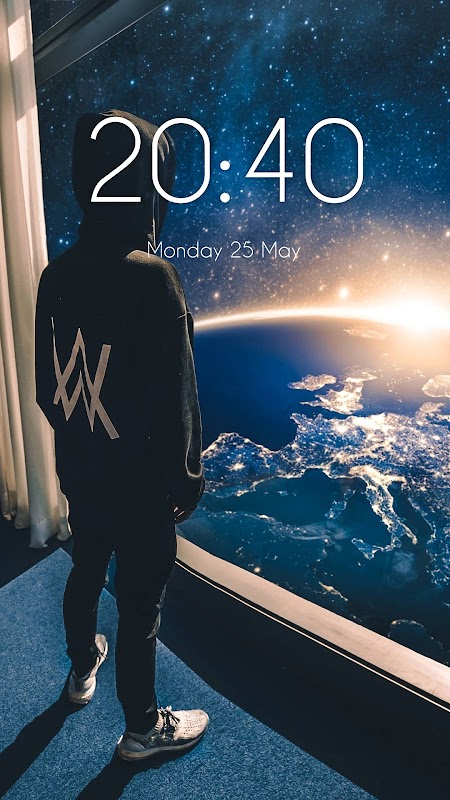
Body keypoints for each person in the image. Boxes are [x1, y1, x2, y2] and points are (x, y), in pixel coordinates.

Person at [34, 109, 208, 761]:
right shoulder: (154, 278)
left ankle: (82, 669)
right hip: (139, 485)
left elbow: (48, 386)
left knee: (86, 568)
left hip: (82, 469)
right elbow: (177, 400)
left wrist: (83, 443)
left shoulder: (55, 274)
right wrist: (185, 482)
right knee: (140, 604)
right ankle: (141, 728)